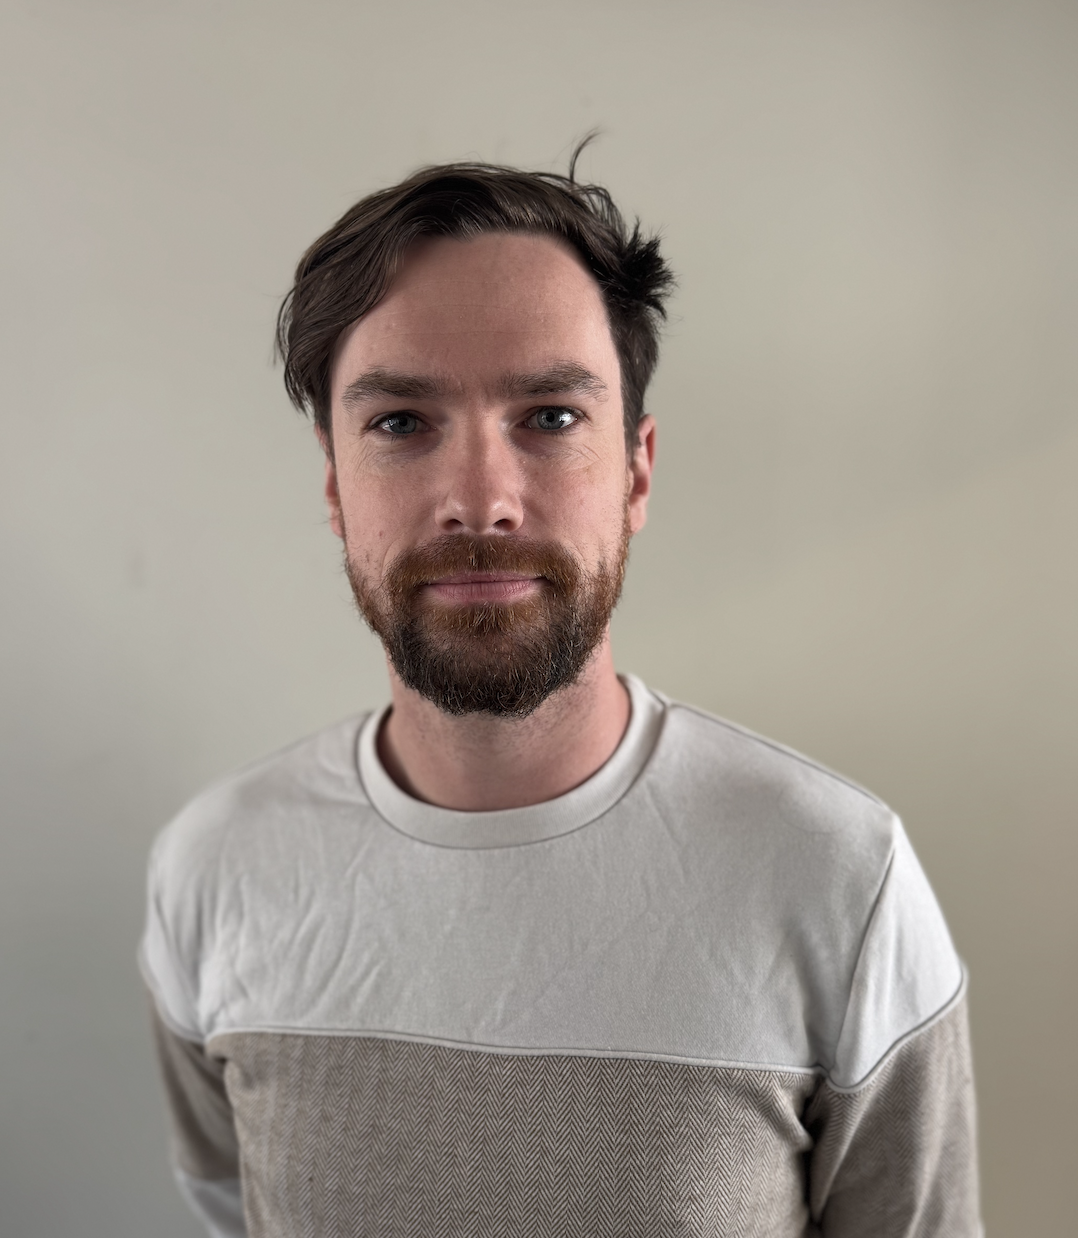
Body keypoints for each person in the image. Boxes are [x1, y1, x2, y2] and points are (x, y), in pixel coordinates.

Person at [140, 152, 981, 1238]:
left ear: (636, 470)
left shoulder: (837, 876)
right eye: (401, 421)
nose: (481, 499)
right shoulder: (213, 867)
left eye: (548, 415)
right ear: (333, 481)